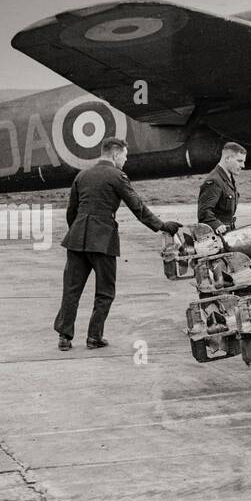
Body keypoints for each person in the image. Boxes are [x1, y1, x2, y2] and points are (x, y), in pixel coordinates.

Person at [54, 138, 181, 351]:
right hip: (103, 240)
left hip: (76, 240)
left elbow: (71, 211)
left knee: (71, 290)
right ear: (115, 155)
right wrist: (162, 226)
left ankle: (64, 337)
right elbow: (137, 207)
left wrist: (77, 233)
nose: (125, 160)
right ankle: (94, 337)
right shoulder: (117, 176)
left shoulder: (82, 175)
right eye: (124, 156)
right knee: (104, 292)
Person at [197, 141, 246, 234]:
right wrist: (216, 225)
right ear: (227, 158)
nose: (243, 166)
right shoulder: (215, 181)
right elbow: (204, 212)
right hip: (216, 237)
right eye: (239, 161)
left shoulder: (228, 178)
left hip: (227, 233)